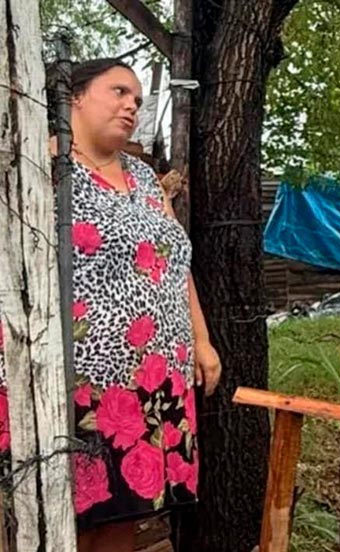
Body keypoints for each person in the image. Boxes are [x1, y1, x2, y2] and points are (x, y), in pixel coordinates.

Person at [0, 58, 221, 552]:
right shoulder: (39, 166)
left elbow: (174, 261)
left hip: (156, 380)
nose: (132, 106)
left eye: (139, 100)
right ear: (75, 96)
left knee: (131, 514)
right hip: (81, 380)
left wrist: (203, 342)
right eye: (119, 91)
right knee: (69, 517)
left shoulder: (144, 178)